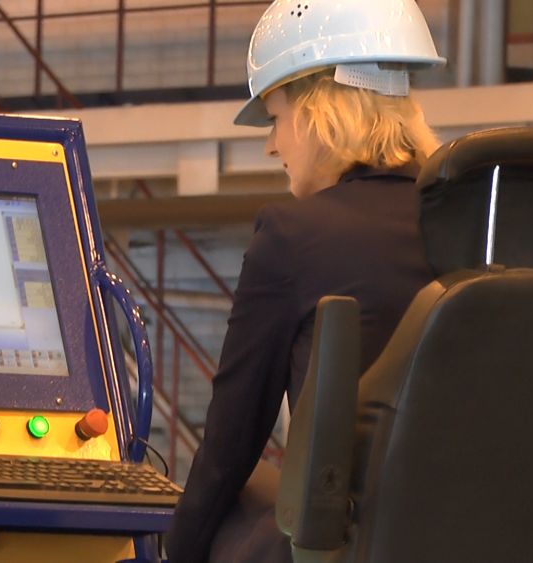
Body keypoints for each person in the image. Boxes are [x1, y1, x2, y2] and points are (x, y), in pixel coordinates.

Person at [166, 1, 446, 561]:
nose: (272, 145)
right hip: (463, 533)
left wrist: (172, 551)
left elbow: (232, 439)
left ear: (321, 112)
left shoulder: (292, 236)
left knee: (236, 492)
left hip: (348, 542)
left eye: (275, 117)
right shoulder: (476, 228)